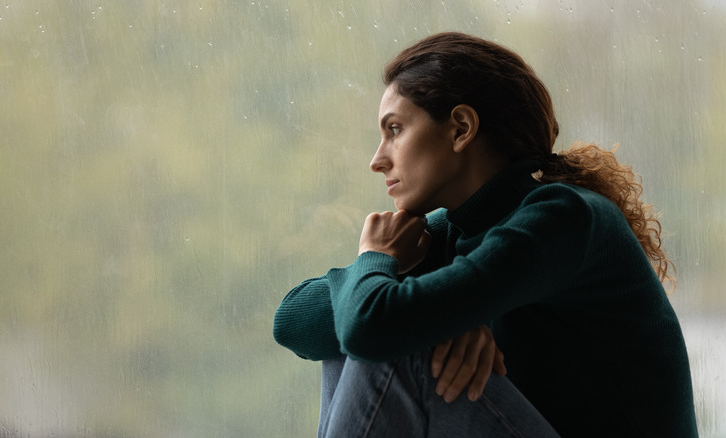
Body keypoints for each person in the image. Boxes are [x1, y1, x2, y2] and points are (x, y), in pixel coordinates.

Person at [273, 32, 698, 437]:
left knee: (386, 335)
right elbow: (291, 320)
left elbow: (371, 329)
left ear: (460, 128)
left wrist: (375, 260)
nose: (377, 160)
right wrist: (426, 307)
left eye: (395, 130)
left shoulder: (562, 217)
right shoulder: (450, 230)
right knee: (356, 329)